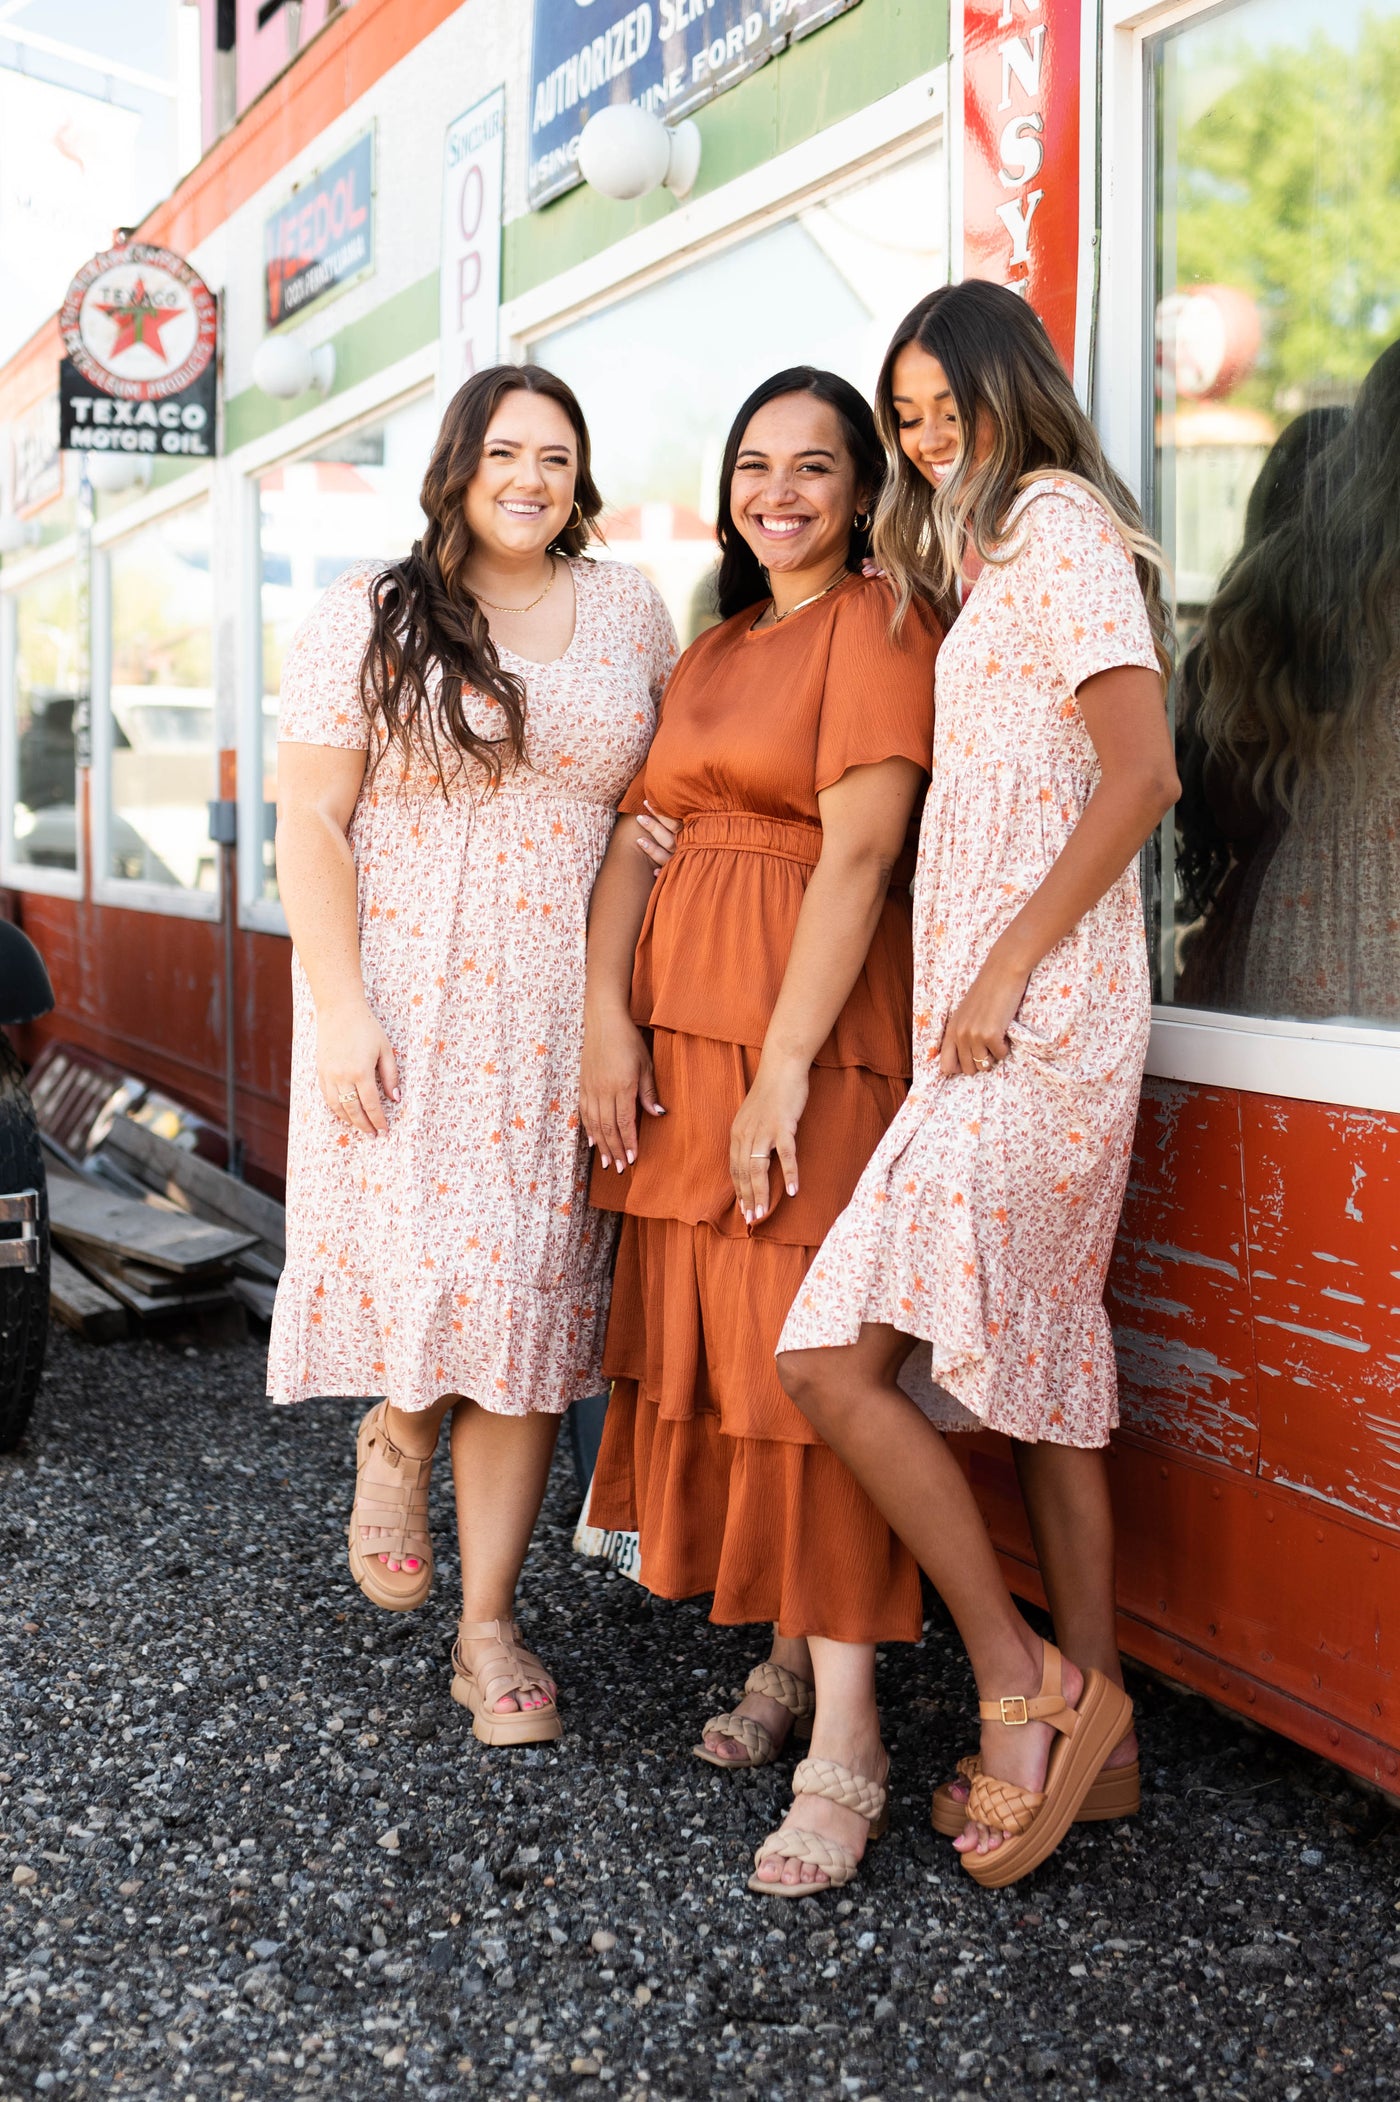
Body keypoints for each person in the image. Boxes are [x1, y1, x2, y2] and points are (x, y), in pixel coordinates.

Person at [777, 280, 1180, 1889]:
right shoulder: (987, 546)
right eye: (912, 420)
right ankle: (1112, 1742)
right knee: (1048, 1380)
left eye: (953, 407)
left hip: (1045, 1019)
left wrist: (1006, 963)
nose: (933, 439)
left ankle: (1025, 1682)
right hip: (1002, 1021)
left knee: (829, 1357)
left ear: (1019, 390)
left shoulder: (1065, 523)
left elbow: (1142, 771)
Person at [268, 364, 677, 1743]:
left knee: (521, 1313)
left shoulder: (630, 609)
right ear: (458, 467)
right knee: (442, 1275)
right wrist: (342, 1005)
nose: (532, 477)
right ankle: (397, 1424)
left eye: (556, 456)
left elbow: (656, 807)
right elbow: (310, 821)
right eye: (506, 451)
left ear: (581, 476)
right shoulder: (372, 614)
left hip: (560, 1008)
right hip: (404, 994)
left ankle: (487, 1625)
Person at [579, 367, 942, 1898]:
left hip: (811, 1040)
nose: (778, 490)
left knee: (813, 1367)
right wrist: (605, 1010)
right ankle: (791, 1659)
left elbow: (860, 858)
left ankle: (848, 1737)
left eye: (813, 465)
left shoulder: (878, 622)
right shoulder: (716, 640)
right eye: (752, 464)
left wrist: (788, 1069)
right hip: (678, 1045)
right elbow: (638, 838)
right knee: (728, 1356)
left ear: (862, 487)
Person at [1187, 342, 1400, 1023]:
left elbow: (1234, 779)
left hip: (1309, 910)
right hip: (1336, 918)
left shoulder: (1304, 580)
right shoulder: (1312, 581)